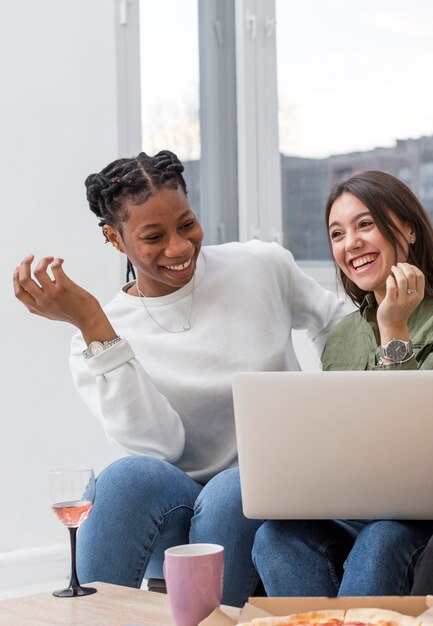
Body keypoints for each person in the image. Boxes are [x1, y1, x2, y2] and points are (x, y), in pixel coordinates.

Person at [13, 149, 346, 607]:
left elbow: (338, 324)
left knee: (234, 486)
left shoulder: (261, 266)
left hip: (272, 485)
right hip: (177, 507)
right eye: (153, 236)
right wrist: (92, 322)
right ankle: (93, 618)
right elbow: (161, 448)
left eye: (186, 224)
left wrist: (342, 406)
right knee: (126, 477)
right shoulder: (96, 337)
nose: (179, 247)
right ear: (114, 238)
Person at [252, 170, 433, 598]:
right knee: (278, 537)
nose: (350, 243)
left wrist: (394, 328)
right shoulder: (344, 336)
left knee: (383, 539)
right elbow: (350, 441)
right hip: (364, 497)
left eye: (365, 224)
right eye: (337, 233)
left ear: (408, 228)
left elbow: (414, 439)